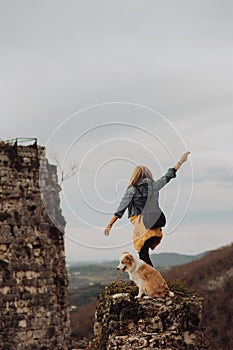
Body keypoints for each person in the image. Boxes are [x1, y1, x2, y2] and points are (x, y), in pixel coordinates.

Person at [104, 151, 191, 267]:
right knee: (144, 255)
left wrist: (110, 224)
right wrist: (180, 162)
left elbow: (121, 209)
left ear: (135, 176)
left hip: (143, 226)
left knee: (143, 254)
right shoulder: (154, 186)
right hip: (155, 225)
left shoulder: (132, 190)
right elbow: (168, 176)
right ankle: (148, 279)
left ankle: (151, 280)